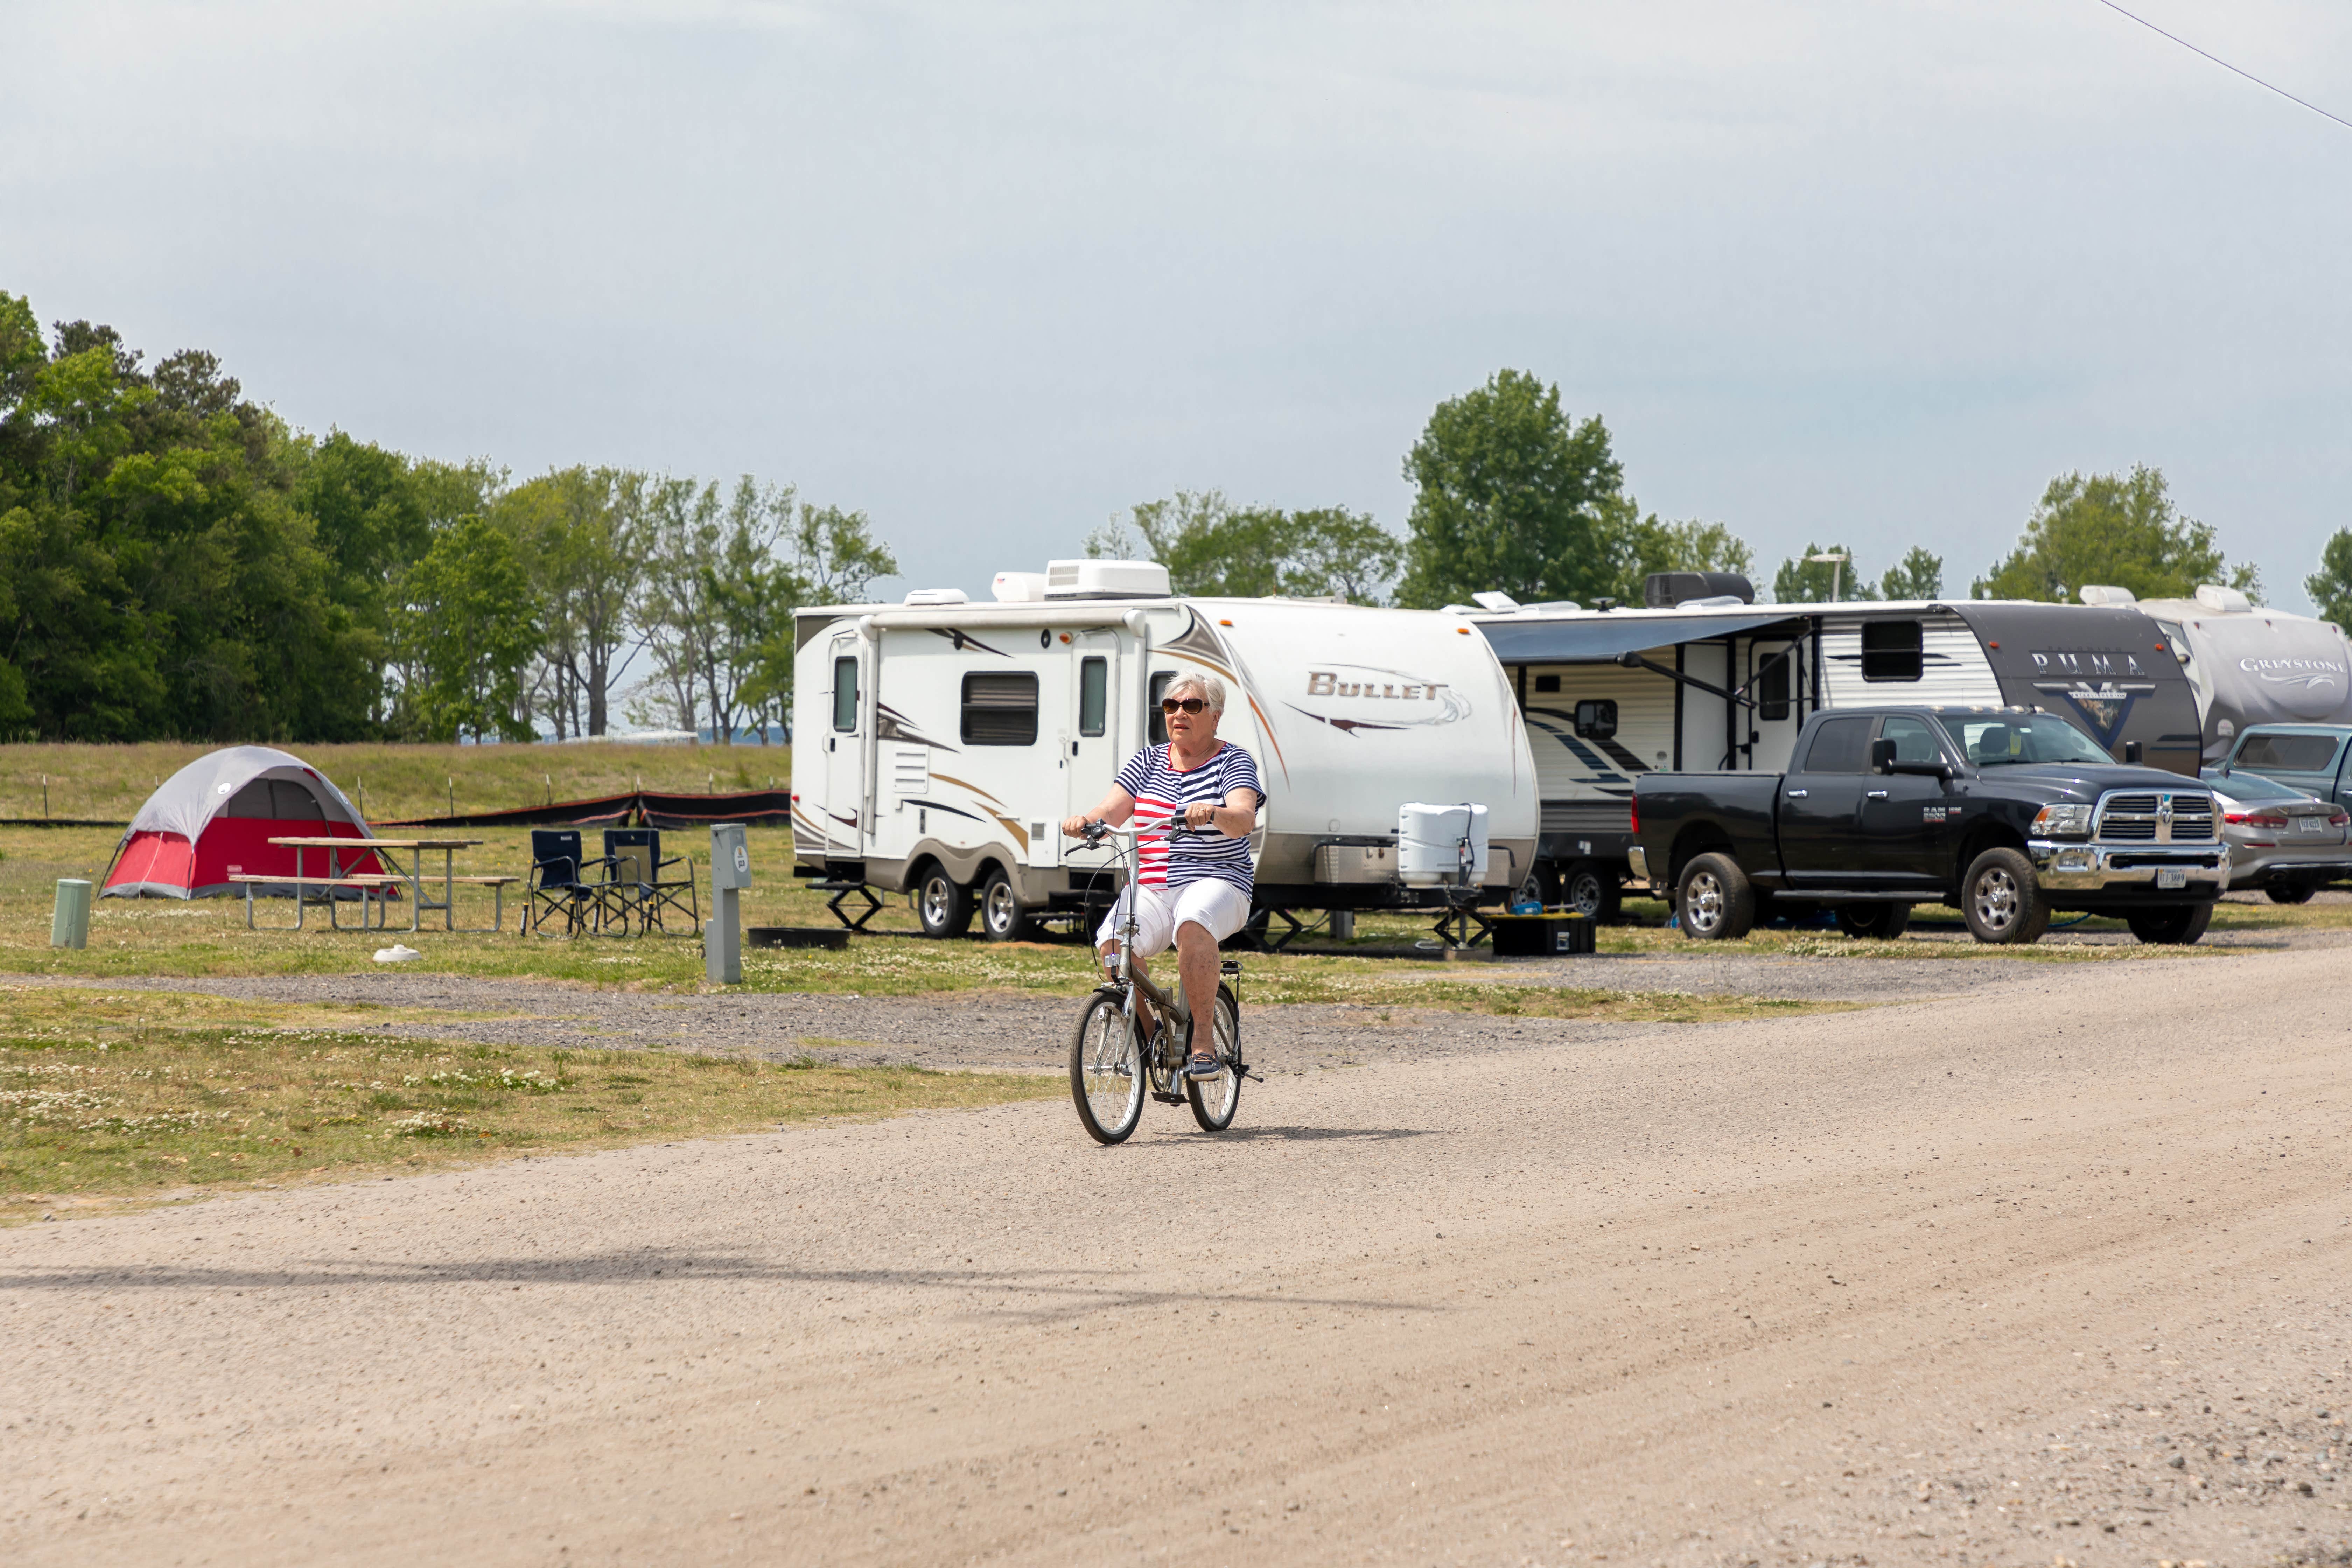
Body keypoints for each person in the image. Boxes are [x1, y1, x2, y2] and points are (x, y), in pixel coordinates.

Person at [1059, 672, 1265, 1079]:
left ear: (1215, 716)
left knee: (1194, 921)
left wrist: (1214, 812)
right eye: (1172, 706)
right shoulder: (1147, 761)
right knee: (1112, 942)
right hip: (1153, 883)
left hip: (1218, 880)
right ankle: (1150, 1037)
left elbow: (1243, 819)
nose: (1179, 714)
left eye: (1192, 706)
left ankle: (1202, 1043)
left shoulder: (1233, 760)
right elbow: (1112, 810)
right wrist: (1086, 821)